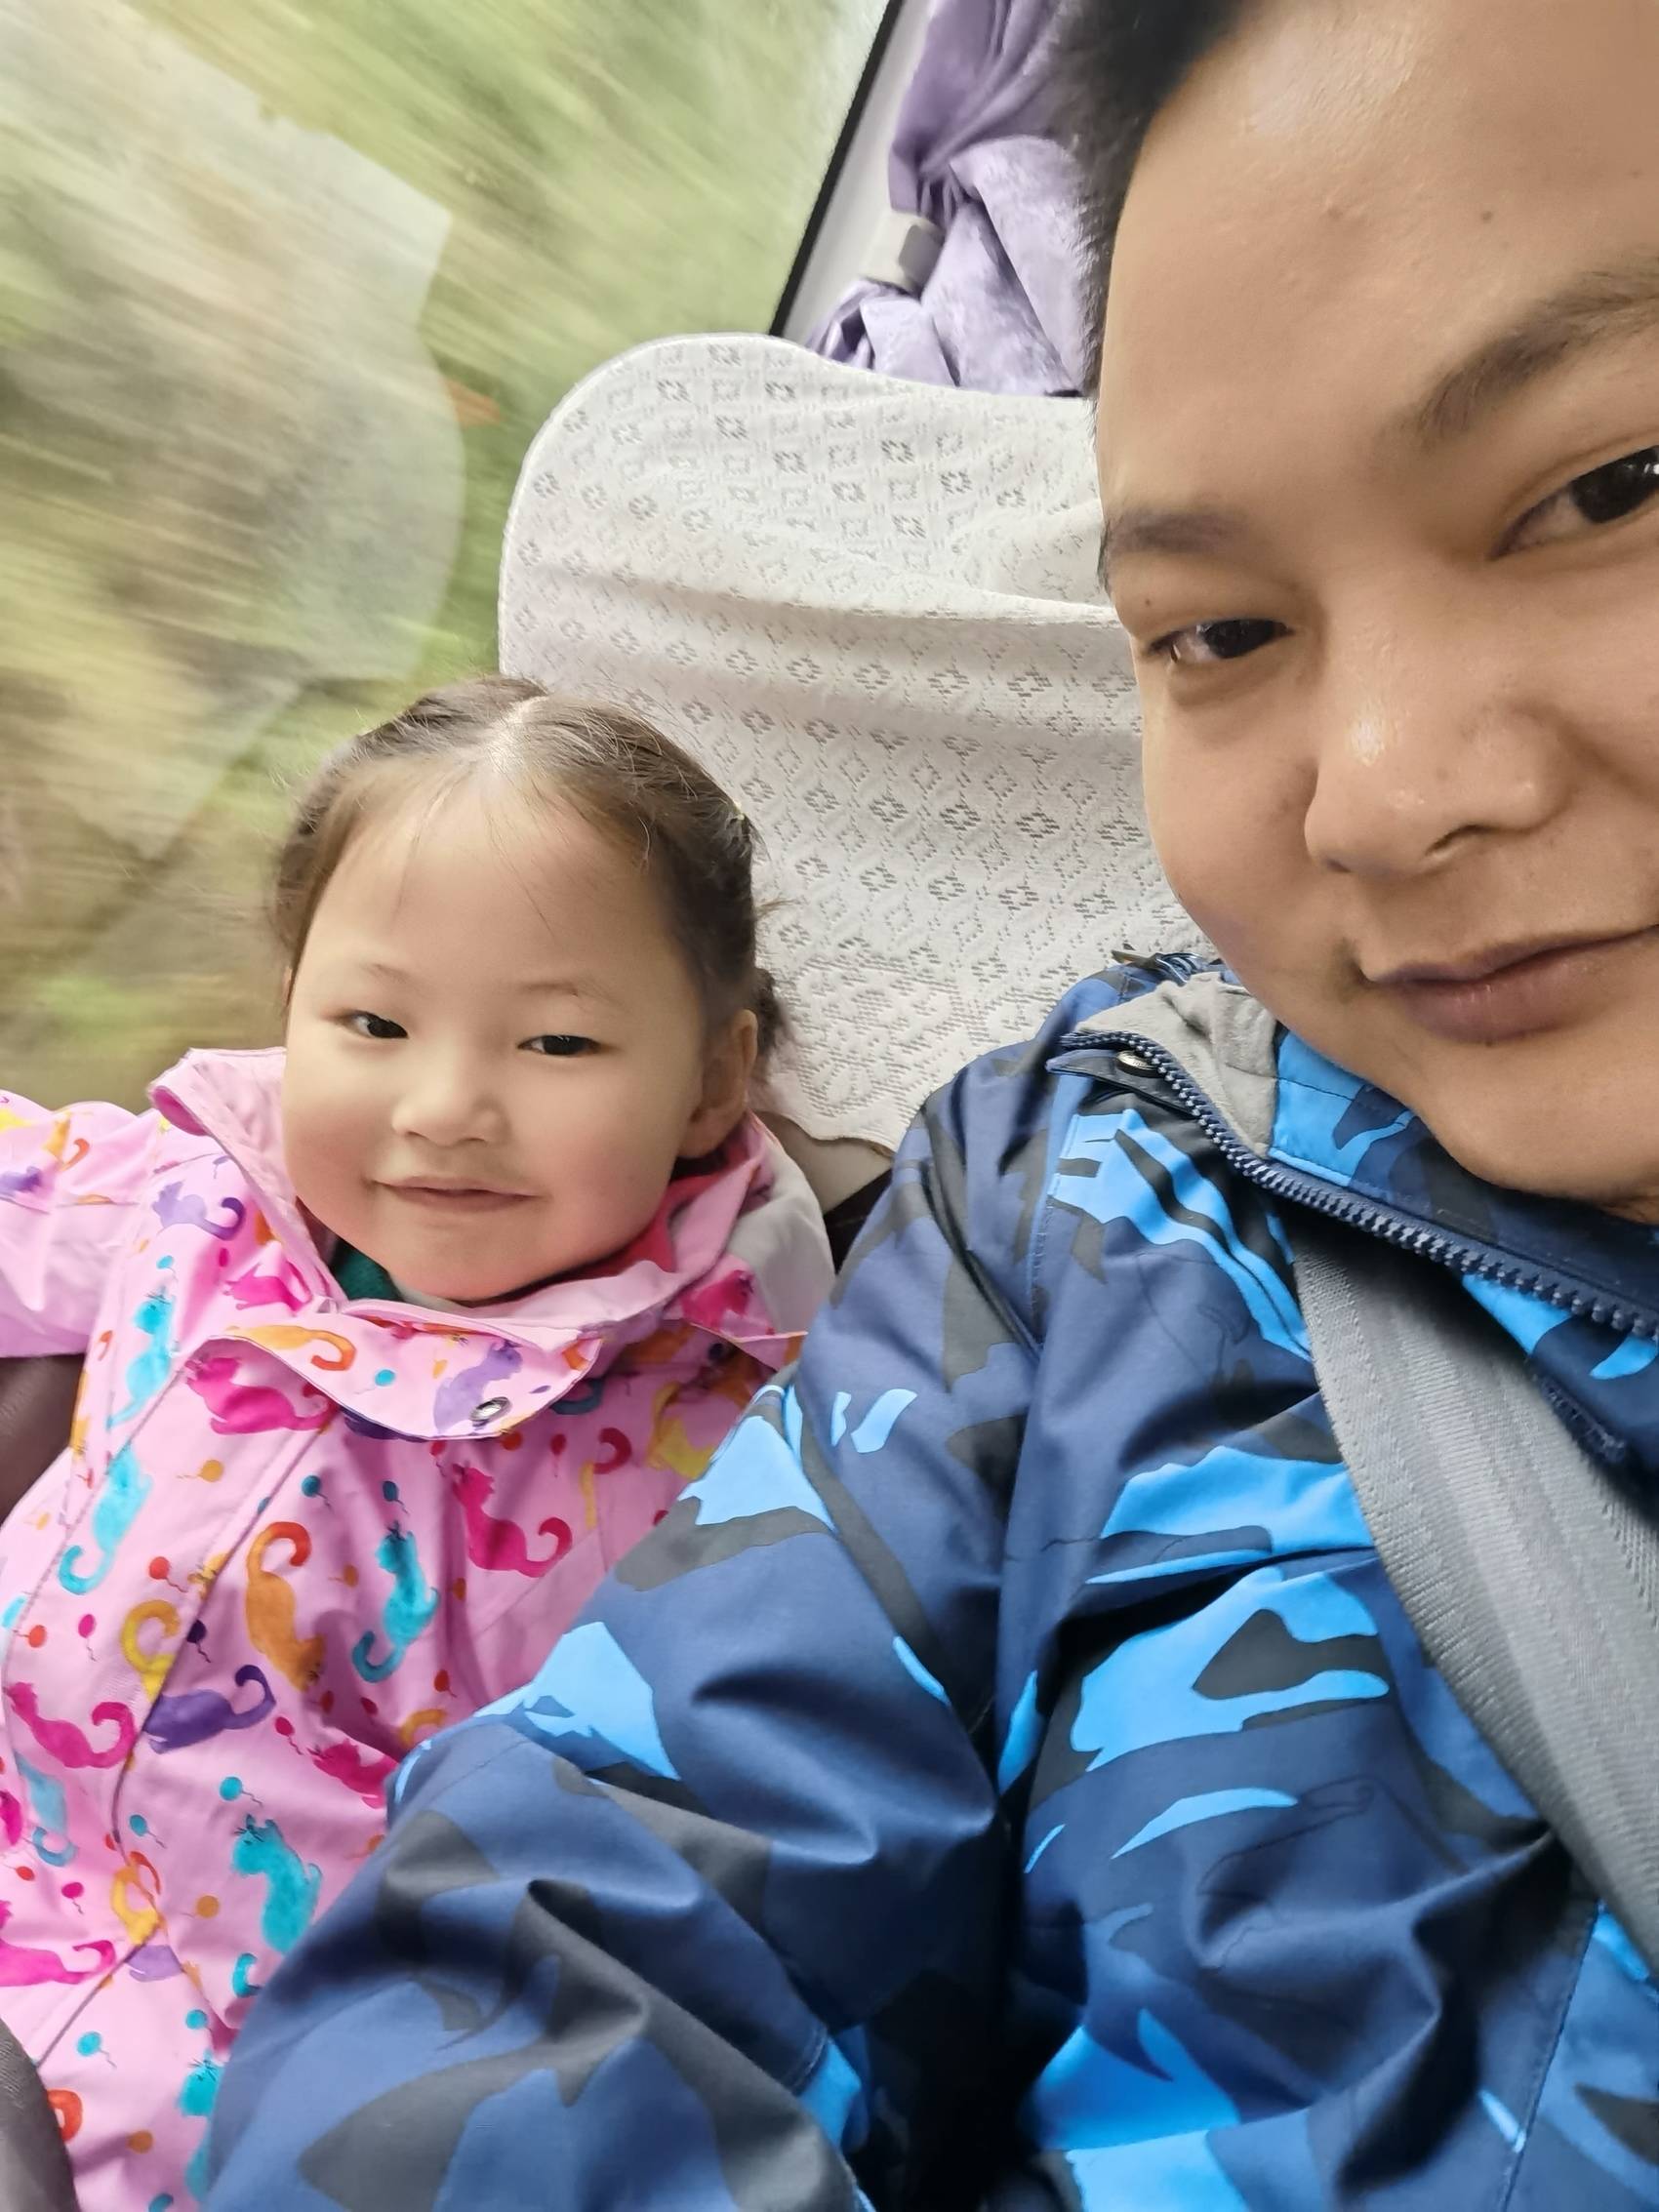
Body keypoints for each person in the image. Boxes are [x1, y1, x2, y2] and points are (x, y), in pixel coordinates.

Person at [204, 0, 1659, 2204]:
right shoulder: (1093, 1206)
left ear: (718, 1076)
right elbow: (590, 1921)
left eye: (1608, 488)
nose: (1377, 799)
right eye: (1217, 634)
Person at [0, 675, 832, 2208]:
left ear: (713, 1078)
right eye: (373, 1024)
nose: (445, 1106)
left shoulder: (707, 1447)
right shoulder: (193, 1202)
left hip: (241, 2084)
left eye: (557, 1043)